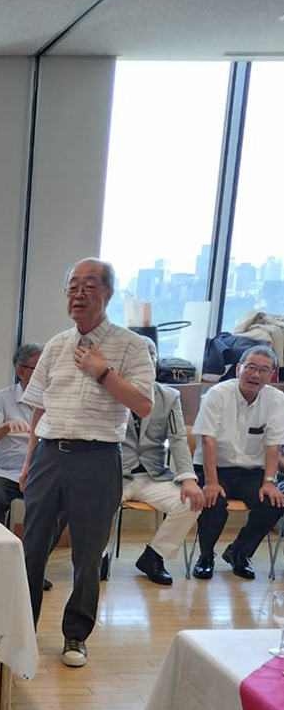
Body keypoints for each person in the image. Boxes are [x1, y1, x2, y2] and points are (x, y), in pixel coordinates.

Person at [19, 258, 155, 667]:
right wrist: (28, 463)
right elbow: (38, 409)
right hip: (48, 455)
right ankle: (21, 627)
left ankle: (75, 635)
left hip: (97, 459)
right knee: (31, 548)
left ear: (108, 293)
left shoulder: (132, 346)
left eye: (89, 286)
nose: (79, 294)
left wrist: (102, 371)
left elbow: (144, 405)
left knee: (87, 554)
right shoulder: (56, 345)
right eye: (73, 286)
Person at [191, 344, 284, 579]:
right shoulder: (217, 394)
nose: (256, 374)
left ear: (271, 375)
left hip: (251, 471)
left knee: (274, 502)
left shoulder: (276, 400)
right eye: (250, 367)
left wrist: (269, 481)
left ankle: (239, 552)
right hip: (213, 468)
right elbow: (208, 440)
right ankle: (205, 556)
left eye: (264, 370)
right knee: (213, 501)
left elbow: (273, 444)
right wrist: (211, 482)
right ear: (238, 369)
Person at [116, 343, 204, 586]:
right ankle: (97, 559)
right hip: (115, 475)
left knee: (192, 502)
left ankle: (154, 556)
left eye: (151, 357)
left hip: (153, 476)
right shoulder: (110, 391)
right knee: (96, 504)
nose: (145, 362)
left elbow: (178, 439)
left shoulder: (169, 396)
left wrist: (188, 478)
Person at [0, 342, 54, 595]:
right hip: (6, 471)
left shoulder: (54, 398)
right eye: (39, 368)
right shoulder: (2, 398)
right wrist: (6, 427)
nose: (45, 373)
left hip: (41, 473)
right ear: (20, 371)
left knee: (55, 507)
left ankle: (31, 568)